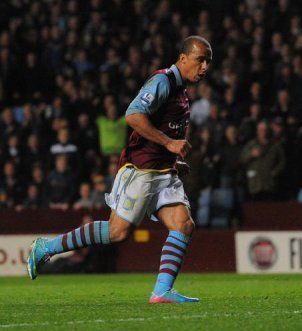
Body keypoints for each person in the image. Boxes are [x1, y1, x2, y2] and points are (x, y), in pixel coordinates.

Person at [27, 36, 213, 304]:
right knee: (117, 232)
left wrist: (173, 158)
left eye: (208, 61)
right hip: (141, 169)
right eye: (200, 60)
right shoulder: (162, 81)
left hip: (163, 172)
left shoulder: (182, 91)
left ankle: (161, 291)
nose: (205, 66)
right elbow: (133, 115)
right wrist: (169, 143)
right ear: (183, 58)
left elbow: (163, 131)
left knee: (183, 224)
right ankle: (46, 247)